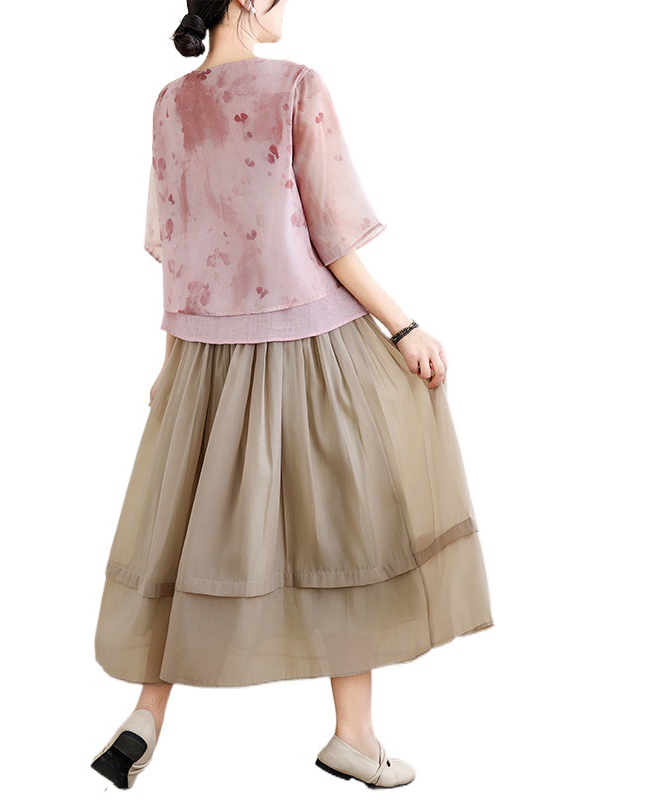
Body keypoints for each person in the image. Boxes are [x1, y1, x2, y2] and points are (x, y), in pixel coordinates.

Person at [91, 0, 493, 791]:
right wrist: (406, 327)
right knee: (344, 527)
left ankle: (145, 714)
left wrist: (173, 363)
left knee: (184, 530)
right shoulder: (296, 85)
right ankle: (354, 736)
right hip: (311, 344)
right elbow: (333, 238)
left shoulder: (170, 103)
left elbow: (182, 250)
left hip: (205, 351)